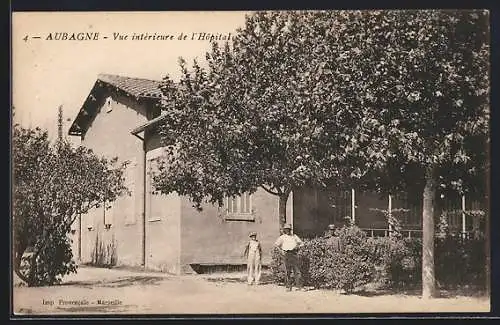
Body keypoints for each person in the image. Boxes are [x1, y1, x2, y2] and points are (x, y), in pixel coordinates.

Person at [274, 223, 305, 291]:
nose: (287, 231)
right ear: (284, 230)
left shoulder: (294, 236)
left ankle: (299, 286)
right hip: (287, 254)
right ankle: (288, 287)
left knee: (297, 271)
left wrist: (298, 247)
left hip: (294, 254)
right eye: (286, 229)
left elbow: (302, 243)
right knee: (288, 271)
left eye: (288, 229)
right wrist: (281, 251)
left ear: (290, 230)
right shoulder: (282, 237)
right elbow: (276, 245)